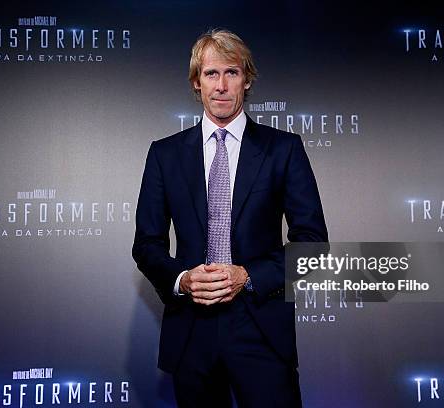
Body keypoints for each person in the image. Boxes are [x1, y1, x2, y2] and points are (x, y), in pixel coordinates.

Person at [132, 28, 327, 408]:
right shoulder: (164, 154)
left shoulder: (283, 149)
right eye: (211, 74)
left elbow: (313, 244)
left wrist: (249, 276)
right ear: (196, 82)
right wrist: (183, 280)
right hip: (191, 330)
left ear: (247, 79)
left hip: (260, 327)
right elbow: (147, 244)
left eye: (232, 73)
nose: (221, 85)